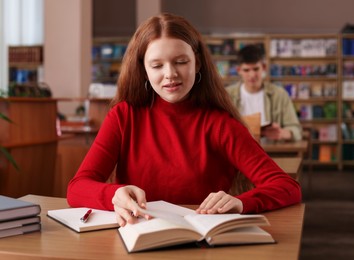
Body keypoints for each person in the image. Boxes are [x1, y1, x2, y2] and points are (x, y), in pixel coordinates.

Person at [67, 13, 301, 227]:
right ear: (144, 69)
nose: (170, 74)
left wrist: (241, 203)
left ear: (197, 63)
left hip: (201, 242)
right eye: (157, 65)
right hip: (137, 240)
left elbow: (287, 187)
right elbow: (76, 188)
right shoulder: (123, 116)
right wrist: (113, 195)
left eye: (181, 62)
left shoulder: (220, 124)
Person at [226, 44, 302, 141]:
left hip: (271, 152)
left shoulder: (279, 94)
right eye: (246, 70)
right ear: (239, 70)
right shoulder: (226, 96)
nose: (252, 75)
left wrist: (282, 133)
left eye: (256, 69)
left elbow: (296, 130)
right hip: (237, 152)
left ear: (264, 67)